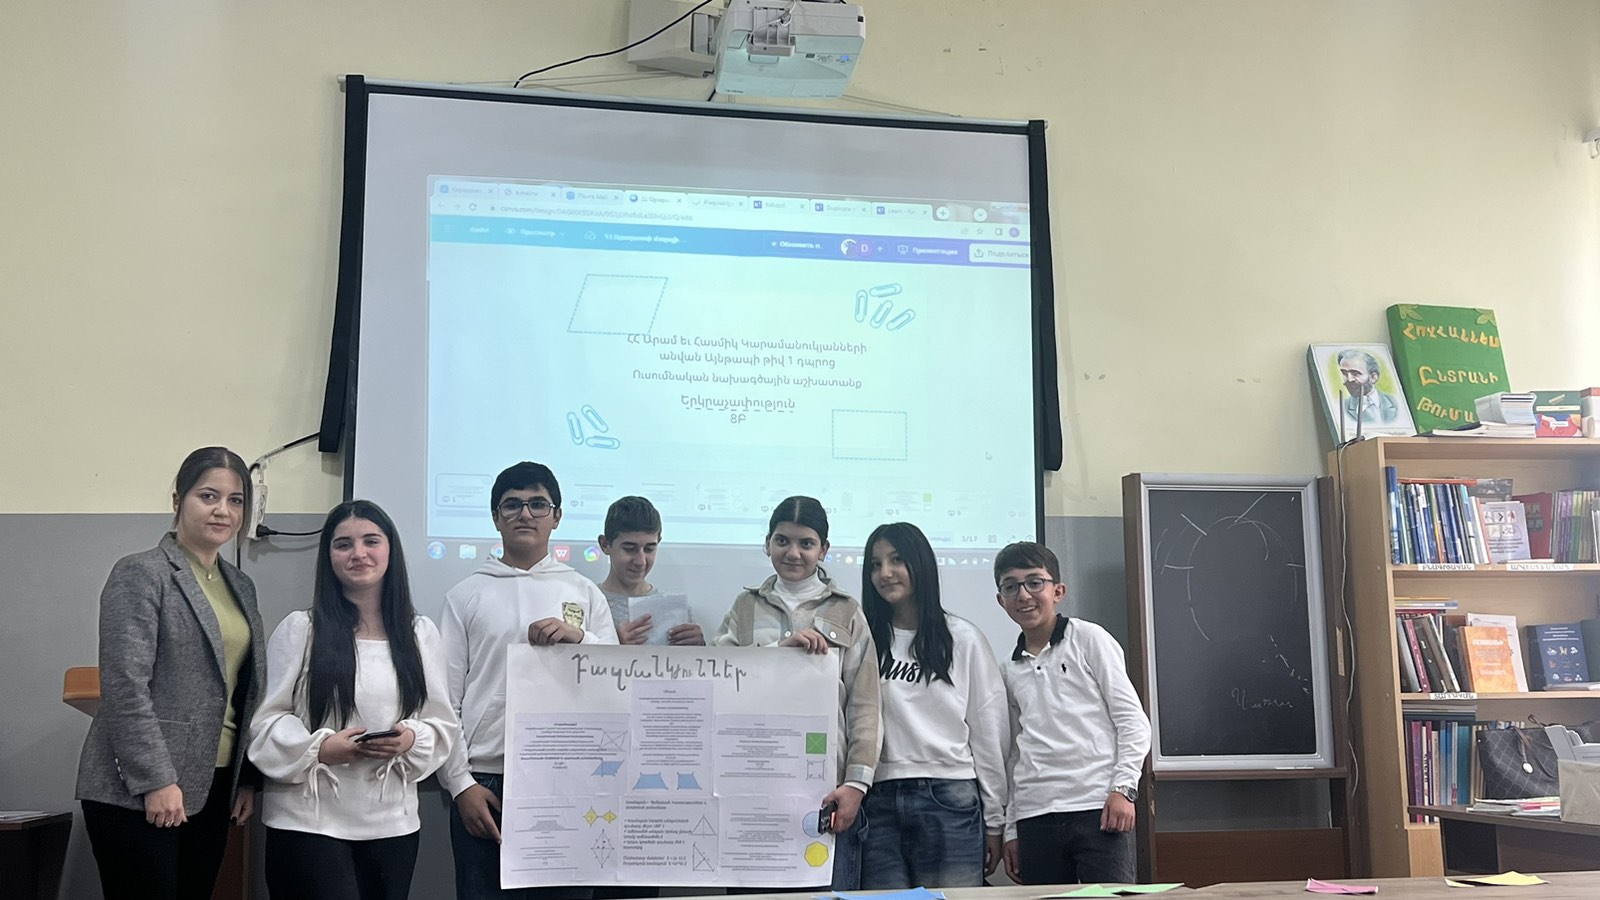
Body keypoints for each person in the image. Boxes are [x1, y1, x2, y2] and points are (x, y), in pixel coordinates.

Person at [75, 446, 267, 900]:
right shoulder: (141, 573)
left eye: (236, 500)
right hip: (138, 787)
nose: (222, 510)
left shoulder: (241, 585)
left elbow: (244, 689)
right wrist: (155, 780)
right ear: (178, 499)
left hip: (215, 782)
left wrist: (245, 777)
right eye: (208, 496)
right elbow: (125, 687)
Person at [248, 500, 460, 899]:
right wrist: (319, 749)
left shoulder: (420, 634)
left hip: (392, 826)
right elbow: (265, 721)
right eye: (343, 544)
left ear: (390, 550)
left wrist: (410, 739)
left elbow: (441, 723)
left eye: (371, 541)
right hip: (306, 823)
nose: (358, 553)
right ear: (328, 556)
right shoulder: (301, 629)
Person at [440, 461, 618, 900]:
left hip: (572, 778)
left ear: (557, 516)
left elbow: (616, 685)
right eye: (512, 504)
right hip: (486, 782)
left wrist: (582, 639)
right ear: (495, 516)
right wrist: (461, 785)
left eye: (538, 504)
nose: (525, 514)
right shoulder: (465, 595)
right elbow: (443, 700)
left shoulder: (584, 592)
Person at [713, 496, 881, 891]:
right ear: (767, 544)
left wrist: (856, 785)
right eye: (782, 541)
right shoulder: (744, 607)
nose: (793, 553)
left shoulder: (847, 611)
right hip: (752, 788)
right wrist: (777, 653)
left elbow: (865, 705)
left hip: (824, 791)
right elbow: (719, 682)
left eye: (806, 543)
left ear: (823, 549)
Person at [858, 522, 1008, 888]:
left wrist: (995, 818)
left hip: (949, 795)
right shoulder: (863, 640)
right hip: (877, 798)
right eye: (875, 564)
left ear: (920, 564)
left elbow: (989, 731)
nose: (885, 573)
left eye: (896, 560)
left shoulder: (963, 638)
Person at [995, 542, 1151, 886]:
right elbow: (1014, 753)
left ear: (1058, 591)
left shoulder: (1089, 639)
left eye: (1034, 582)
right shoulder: (1007, 669)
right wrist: (1011, 829)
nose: (1024, 595)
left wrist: (1124, 789)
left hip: (1099, 806)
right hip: (1035, 815)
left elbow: (1132, 721)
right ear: (1001, 600)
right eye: (1011, 586)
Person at [597, 495, 703, 647]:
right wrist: (613, 645)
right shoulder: (587, 603)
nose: (640, 561)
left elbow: (692, 661)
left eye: (649, 549)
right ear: (605, 544)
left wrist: (700, 649)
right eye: (629, 549)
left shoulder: (677, 611)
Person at [1337, 348, 1401, 427]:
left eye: (1355, 373)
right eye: (1345, 373)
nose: (1349, 379)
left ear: (1373, 377)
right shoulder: (1342, 407)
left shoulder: (1394, 402)